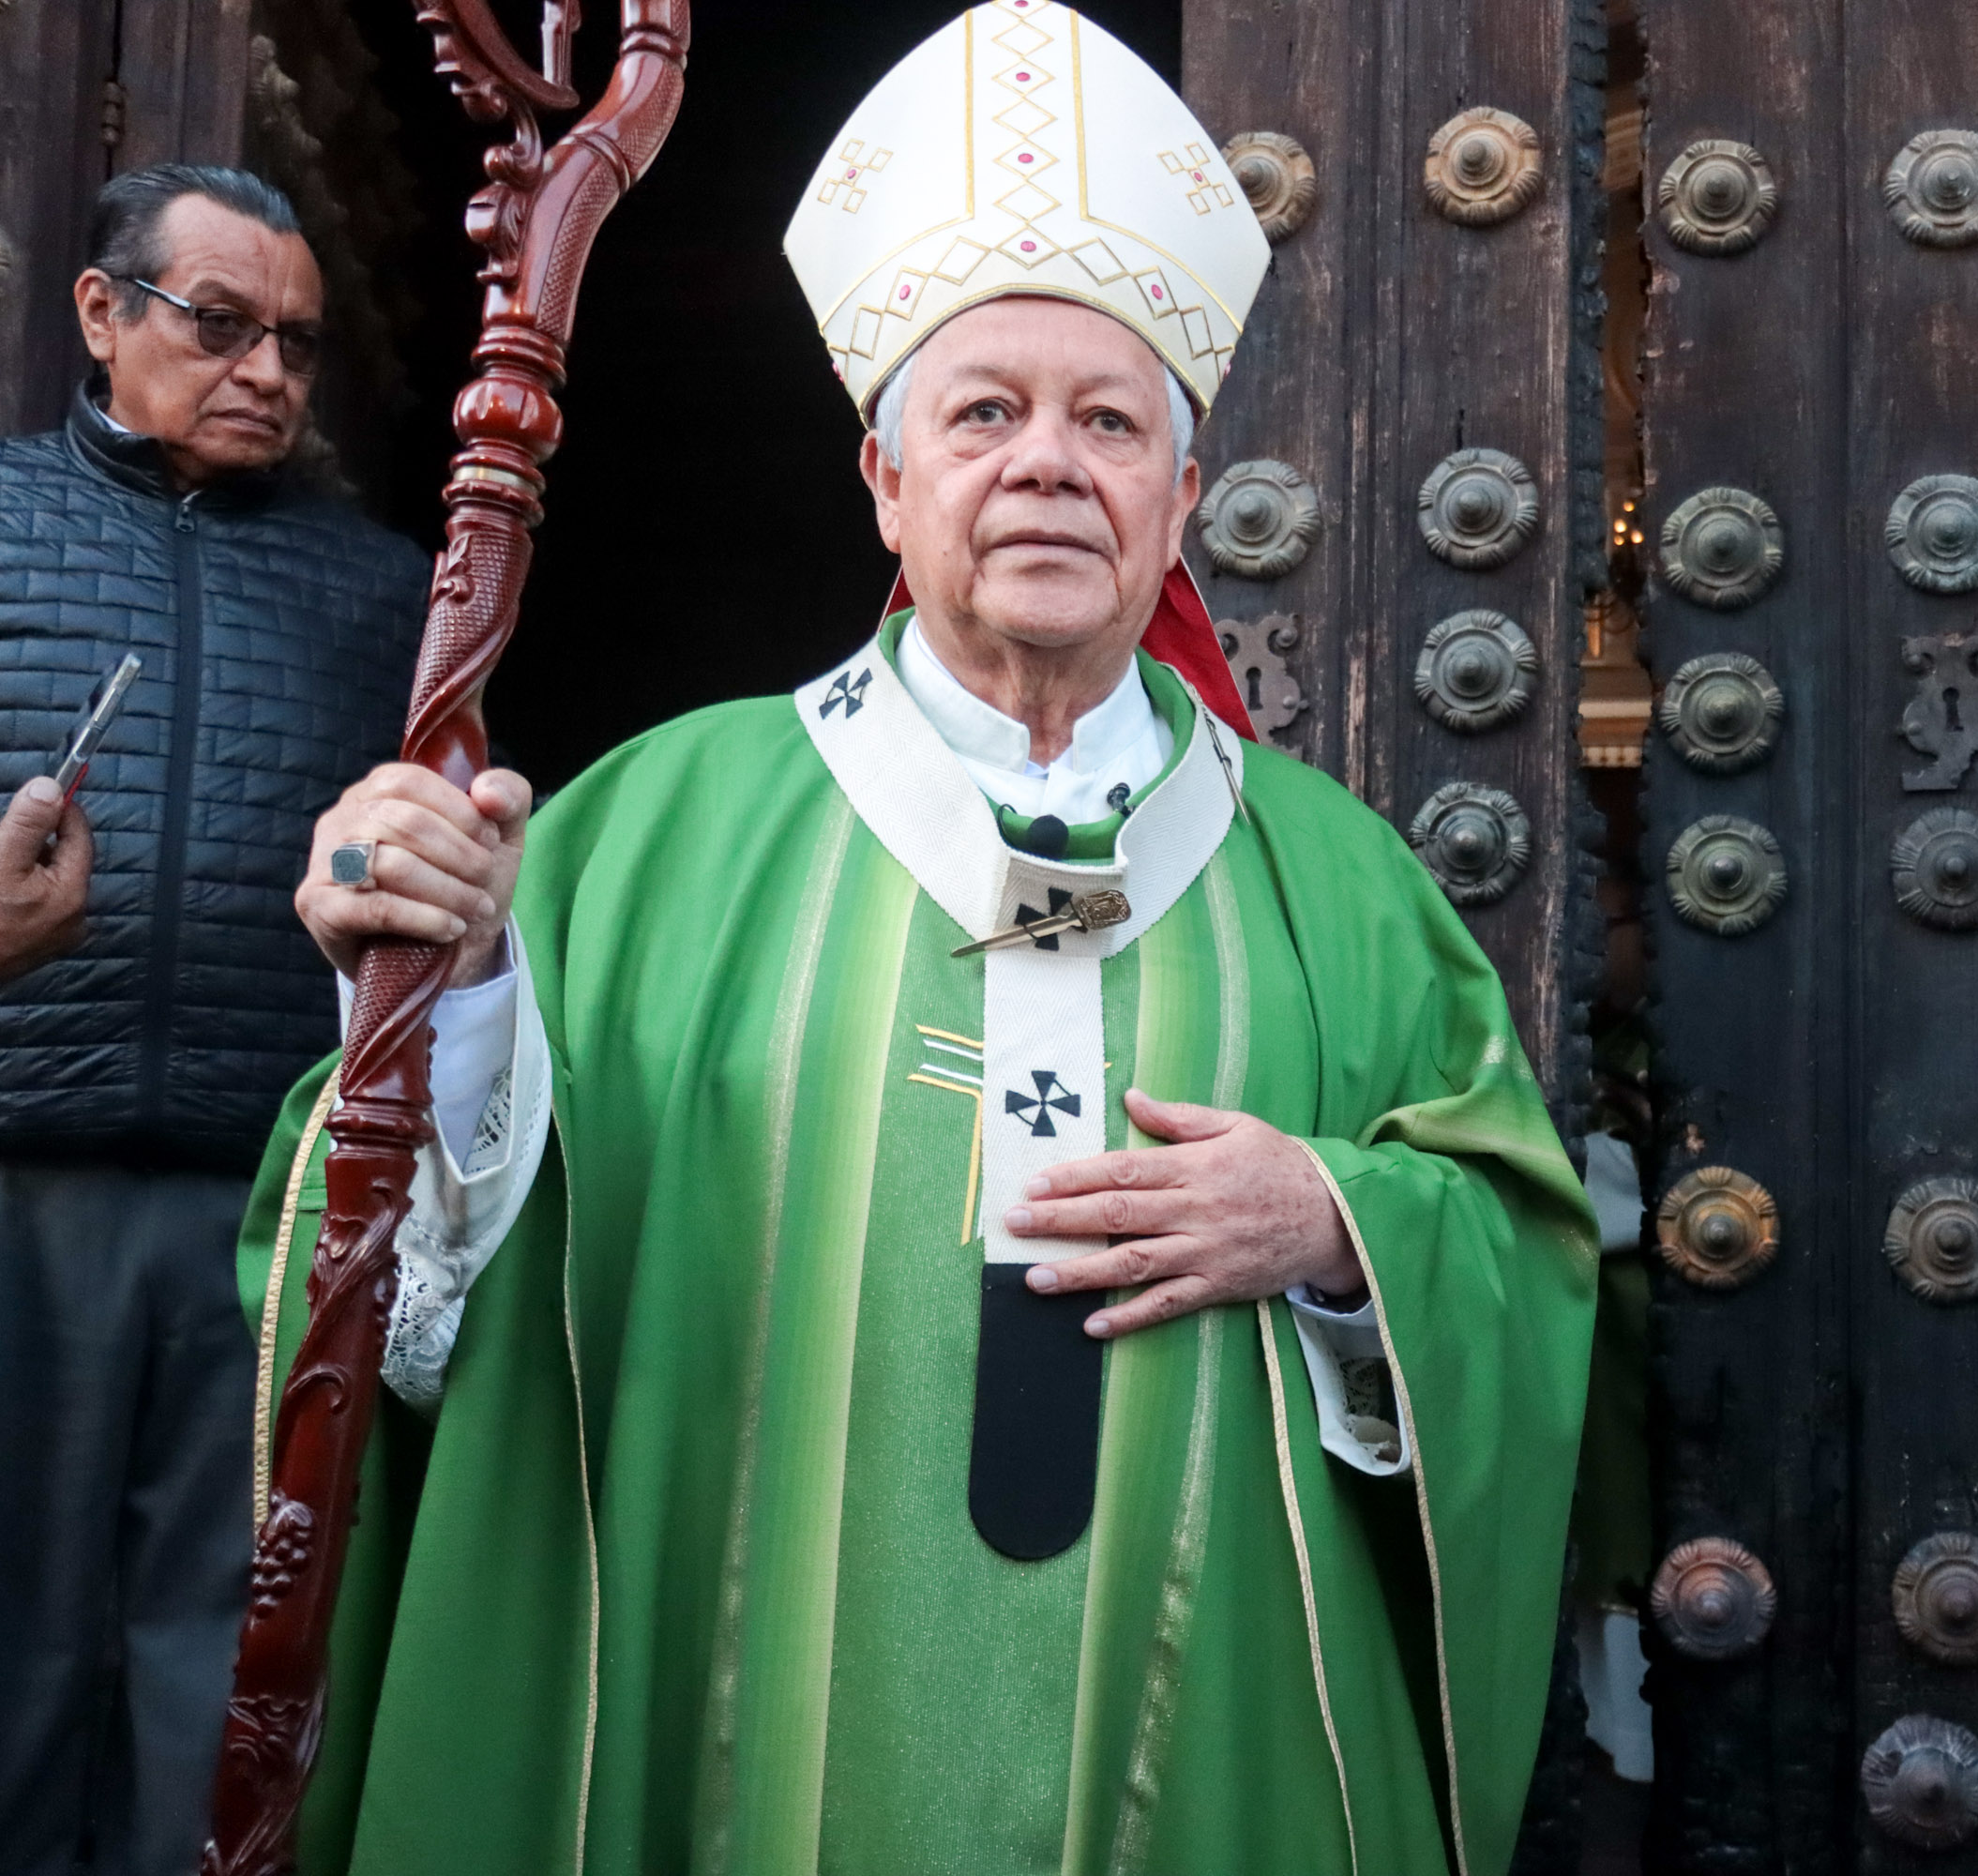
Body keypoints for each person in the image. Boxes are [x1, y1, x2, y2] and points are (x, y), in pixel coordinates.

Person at [235, 8, 1598, 1873]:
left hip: (1205, 1766)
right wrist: (447, 990)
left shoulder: (1343, 888)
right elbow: (421, 1301)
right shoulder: (645, 833)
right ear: (885, 484)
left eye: (1111, 420)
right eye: (983, 412)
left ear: (1182, 502)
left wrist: (1344, 1233)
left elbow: (1519, 1265)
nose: (1049, 464)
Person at [0, 166, 425, 1875]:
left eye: (299, 346)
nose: (267, 371)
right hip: (18, 1180)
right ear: (104, 315)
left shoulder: (386, 592)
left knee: (221, 1654)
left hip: (263, 1204)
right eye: (221, 324)